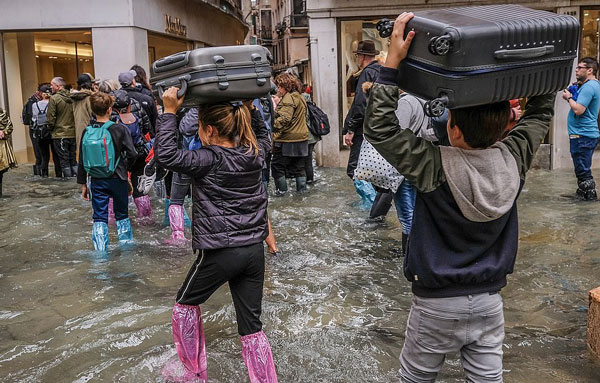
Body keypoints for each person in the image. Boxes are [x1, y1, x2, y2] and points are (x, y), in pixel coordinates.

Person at [364, 12, 555, 382]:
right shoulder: (513, 159)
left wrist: (391, 64)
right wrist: (536, 62)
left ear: (452, 127)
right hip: (489, 304)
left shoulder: (432, 165)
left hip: (434, 305)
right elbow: (541, 111)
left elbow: (380, 127)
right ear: (504, 125)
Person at [155, 87, 278, 383]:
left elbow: (167, 155)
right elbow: (266, 139)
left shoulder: (207, 159)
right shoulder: (254, 154)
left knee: (184, 305)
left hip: (221, 251)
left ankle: (191, 372)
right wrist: (252, 108)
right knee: (251, 327)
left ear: (209, 131)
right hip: (253, 253)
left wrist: (169, 113)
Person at [77, 92, 138, 251]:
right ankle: (126, 249)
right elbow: (132, 154)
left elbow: (82, 159)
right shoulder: (119, 129)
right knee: (122, 215)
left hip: (96, 179)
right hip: (118, 177)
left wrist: (83, 184)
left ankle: (100, 253)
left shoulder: (87, 131)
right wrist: (126, 171)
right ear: (110, 110)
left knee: (99, 218)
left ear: (92, 110)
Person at [342, 40, 392, 219]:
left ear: (361, 56)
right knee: (375, 172)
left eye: (357, 55)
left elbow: (360, 105)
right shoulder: (383, 72)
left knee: (355, 170)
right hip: (380, 129)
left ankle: (374, 209)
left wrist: (350, 129)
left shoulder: (367, 73)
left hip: (364, 129)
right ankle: (375, 207)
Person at [562, 57, 600, 201]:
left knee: (583, 171)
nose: (576, 70)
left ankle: (589, 201)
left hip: (583, 135)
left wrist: (568, 97)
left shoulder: (590, 87)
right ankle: (581, 195)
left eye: (580, 68)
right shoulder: (590, 85)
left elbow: (578, 110)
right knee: (581, 169)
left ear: (590, 70)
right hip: (584, 134)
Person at [272, 72, 309, 194]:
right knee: (299, 168)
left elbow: (285, 119)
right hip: (302, 139)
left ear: (286, 86)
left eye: (279, 87)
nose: (278, 90)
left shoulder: (289, 98)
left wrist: (271, 127)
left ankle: (281, 194)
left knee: (277, 167)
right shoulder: (300, 97)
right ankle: (301, 193)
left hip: (287, 140)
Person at [47, 77, 77, 178]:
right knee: (73, 158)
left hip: (60, 134)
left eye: (52, 84)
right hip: (72, 133)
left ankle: (68, 181)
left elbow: (51, 117)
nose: (50, 86)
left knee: (64, 160)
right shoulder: (73, 97)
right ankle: (76, 179)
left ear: (59, 86)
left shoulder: (54, 98)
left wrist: (49, 128)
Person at [119, 70, 157, 134]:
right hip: (146, 136)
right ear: (133, 82)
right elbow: (155, 120)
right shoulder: (146, 98)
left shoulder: (116, 100)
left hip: (125, 137)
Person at [30, 85, 53, 178]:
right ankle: (59, 174)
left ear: (42, 94)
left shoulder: (34, 105)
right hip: (50, 131)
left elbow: (34, 118)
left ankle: (44, 174)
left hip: (40, 132)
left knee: (44, 155)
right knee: (55, 154)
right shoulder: (52, 103)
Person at [301, 84, 321, 184]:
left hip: (306, 136)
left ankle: (308, 180)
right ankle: (310, 179)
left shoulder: (300, 102)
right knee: (308, 160)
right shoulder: (308, 101)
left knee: (305, 160)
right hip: (313, 135)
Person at [21, 85, 43, 176]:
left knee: (39, 150)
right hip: (34, 129)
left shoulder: (35, 100)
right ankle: (39, 172)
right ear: (38, 92)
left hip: (36, 128)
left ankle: (40, 171)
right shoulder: (32, 101)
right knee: (38, 151)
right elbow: (31, 115)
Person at [71, 73, 95, 145]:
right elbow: (93, 113)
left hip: (77, 129)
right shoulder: (89, 97)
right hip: (89, 128)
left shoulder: (72, 97)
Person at [0, 107, 17, 197]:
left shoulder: (2, 113)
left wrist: (3, 132)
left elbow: (9, 126)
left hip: (1, 147)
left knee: (1, 171)